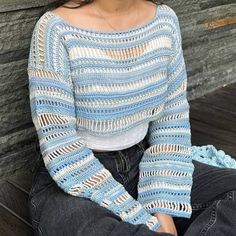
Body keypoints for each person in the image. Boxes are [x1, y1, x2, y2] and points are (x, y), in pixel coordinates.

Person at [27, 0, 236, 235]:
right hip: (73, 179)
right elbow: (60, 145)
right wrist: (147, 221)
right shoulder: (55, 29)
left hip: (144, 163)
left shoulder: (164, 21)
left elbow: (171, 120)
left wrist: (162, 208)